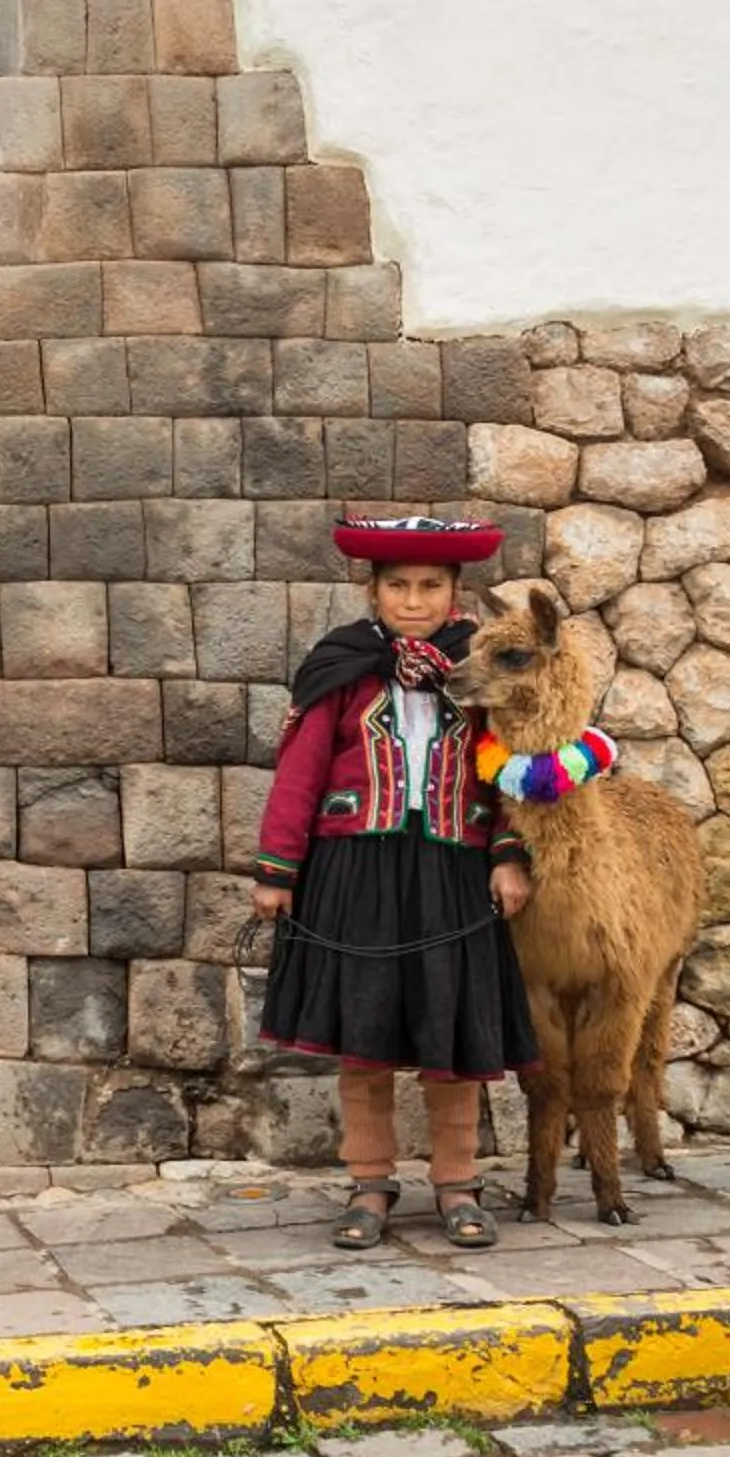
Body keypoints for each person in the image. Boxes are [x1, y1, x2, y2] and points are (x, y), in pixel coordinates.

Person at [251, 518, 537, 1253]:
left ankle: (457, 1183)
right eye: (399, 586)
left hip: (452, 869)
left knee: (454, 1032)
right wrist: (278, 870)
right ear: (373, 591)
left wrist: (508, 856)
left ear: (454, 593)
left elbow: (506, 772)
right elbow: (302, 771)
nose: (414, 600)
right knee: (366, 1034)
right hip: (356, 871)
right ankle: (369, 1181)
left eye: (430, 587)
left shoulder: (480, 673)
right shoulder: (341, 668)